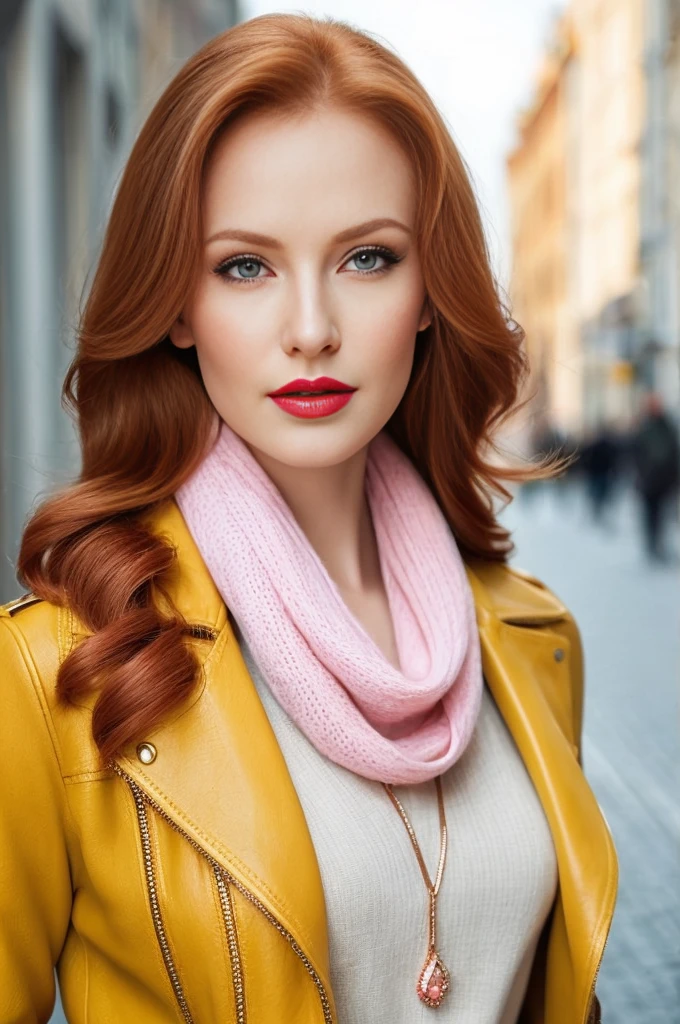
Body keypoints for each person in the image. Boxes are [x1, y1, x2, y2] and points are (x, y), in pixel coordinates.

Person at [0, 13, 616, 1024]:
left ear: (428, 291)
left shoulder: (530, 636)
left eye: (366, 258)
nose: (311, 330)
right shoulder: (56, 671)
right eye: (243, 265)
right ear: (173, 306)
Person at [628, 392, 680, 562]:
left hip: (665, 481)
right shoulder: (643, 427)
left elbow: (673, 452)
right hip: (649, 481)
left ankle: (659, 545)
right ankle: (652, 545)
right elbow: (636, 454)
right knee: (650, 515)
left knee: (663, 516)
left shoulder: (667, 425)